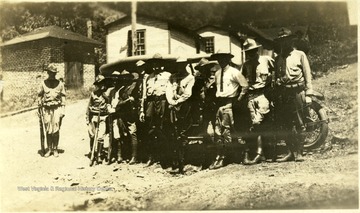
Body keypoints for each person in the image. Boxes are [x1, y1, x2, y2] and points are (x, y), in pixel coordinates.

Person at [273, 27, 314, 162]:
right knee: (286, 124)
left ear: (291, 41)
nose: (285, 44)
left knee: (300, 123)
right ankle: (291, 152)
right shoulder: (278, 58)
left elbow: (308, 74)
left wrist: (309, 94)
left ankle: (300, 152)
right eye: (282, 41)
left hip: (297, 92)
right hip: (284, 94)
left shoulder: (300, 54)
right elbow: (277, 76)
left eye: (287, 40)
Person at [209, 50, 249, 169]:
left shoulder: (234, 72)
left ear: (228, 59)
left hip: (230, 103)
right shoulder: (217, 73)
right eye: (219, 59)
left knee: (230, 130)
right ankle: (220, 156)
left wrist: (239, 99)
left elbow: (245, 85)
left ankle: (235, 155)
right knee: (218, 130)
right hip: (220, 104)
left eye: (223, 58)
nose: (221, 61)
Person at [241, 38, 274, 165]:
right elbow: (242, 80)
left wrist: (272, 85)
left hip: (263, 95)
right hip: (250, 96)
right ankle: (261, 154)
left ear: (257, 50)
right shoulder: (245, 65)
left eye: (253, 51)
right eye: (248, 52)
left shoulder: (266, 60)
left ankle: (260, 153)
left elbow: (275, 69)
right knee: (254, 124)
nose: (251, 54)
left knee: (258, 122)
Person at [139, 53, 172, 167]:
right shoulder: (148, 77)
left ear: (161, 64)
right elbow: (144, 95)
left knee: (163, 129)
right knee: (150, 130)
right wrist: (142, 110)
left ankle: (165, 158)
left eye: (158, 63)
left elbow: (171, 92)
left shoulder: (168, 76)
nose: (156, 66)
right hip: (151, 103)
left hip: (163, 102)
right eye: (154, 63)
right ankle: (151, 157)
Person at [166, 58, 195, 173]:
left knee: (182, 133)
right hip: (173, 106)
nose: (180, 67)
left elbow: (187, 94)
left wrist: (177, 102)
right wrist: (171, 102)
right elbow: (168, 90)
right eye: (178, 65)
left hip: (184, 106)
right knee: (173, 132)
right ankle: (175, 161)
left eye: (182, 65)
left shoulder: (190, 77)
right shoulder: (172, 77)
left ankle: (182, 163)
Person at [37, 65, 66, 158]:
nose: (52, 75)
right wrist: (39, 106)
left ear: (55, 74)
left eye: (53, 73)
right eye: (50, 73)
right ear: (48, 73)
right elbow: (39, 95)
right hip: (46, 109)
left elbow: (63, 96)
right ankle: (49, 149)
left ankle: (55, 149)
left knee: (56, 129)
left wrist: (63, 110)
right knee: (48, 130)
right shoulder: (43, 83)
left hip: (57, 108)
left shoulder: (60, 84)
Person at [113, 70, 140, 165]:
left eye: (126, 77)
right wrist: (126, 101)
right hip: (123, 114)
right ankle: (127, 155)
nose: (124, 79)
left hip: (132, 114)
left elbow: (135, 100)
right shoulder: (122, 90)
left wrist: (127, 101)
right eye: (123, 77)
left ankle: (134, 157)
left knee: (133, 133)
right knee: (124, 134)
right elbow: (118, 104)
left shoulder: (134, 88)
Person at [193, 58, 218, 141]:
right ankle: (206, 145)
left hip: (213, 105)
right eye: (202, 69)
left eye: (206, 68)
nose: (204, 71)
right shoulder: (198, 81)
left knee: (216, 126)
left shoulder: (214, 79)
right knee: (204, 126)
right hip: (203, 106)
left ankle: (217, 145)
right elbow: (195, 93)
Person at [86, 75, 109, 164]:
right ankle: (93, 152)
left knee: (100, 136)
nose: (101, 86)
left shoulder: (106, 94)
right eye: (99, 84)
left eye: (102, 84)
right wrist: (87, 119)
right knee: (92, 135)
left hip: (103, 117)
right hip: (94, 117)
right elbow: (88, 107)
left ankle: (99, 154)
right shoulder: (93, 94)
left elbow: (109, 104)